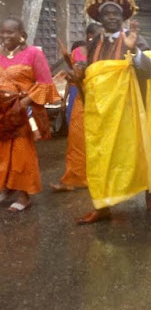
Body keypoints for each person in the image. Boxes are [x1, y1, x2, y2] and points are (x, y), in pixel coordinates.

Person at [74, 0, 151, 224]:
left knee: (137, 151)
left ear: (123, 17)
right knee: (100, 155)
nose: (112, 18)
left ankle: (150, 186)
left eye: (116, 14)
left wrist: (134, 50)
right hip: (100, 113)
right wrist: (78, 74)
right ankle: (102, 205)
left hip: (129, 110)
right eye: (106, 14)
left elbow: (149, 72)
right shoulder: (94, 42)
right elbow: (93, 76)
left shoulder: (135, 39)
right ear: (98, 18)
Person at [0, 16, 60, 211]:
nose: (5, 35)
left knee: (21, 152)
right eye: (2, 32)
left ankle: (24, 195)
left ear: (22, 35)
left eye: (10, 32)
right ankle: (7, 187)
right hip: (2, 112)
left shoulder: (34, 54)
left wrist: (23, 103)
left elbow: (45, 83)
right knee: (3, 152)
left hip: (23, 111)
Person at [50, 23, 102, 192]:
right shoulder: (79, 52)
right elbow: (73, 75)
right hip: (81, 101)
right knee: (77, 141)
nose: (99, 39)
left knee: (101, 142)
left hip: (104, 101)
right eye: (95, 36)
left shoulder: (109, 53)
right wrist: (72, 75)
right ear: (88, 36)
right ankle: (73, 179)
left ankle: (100, 178)